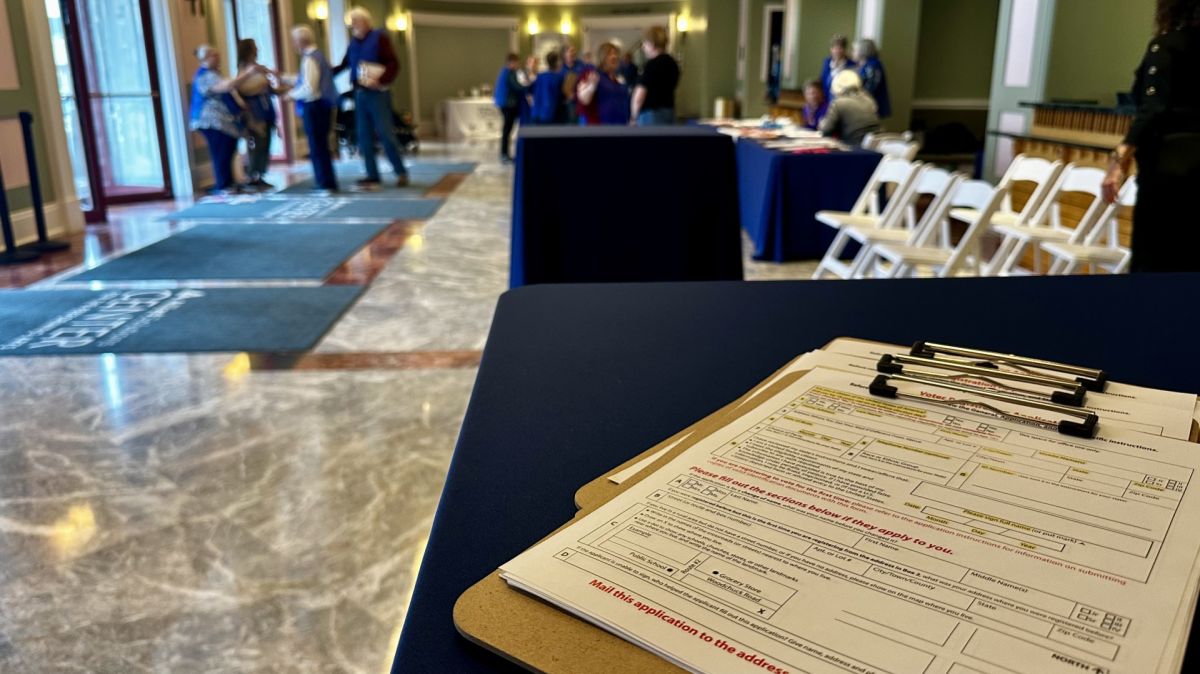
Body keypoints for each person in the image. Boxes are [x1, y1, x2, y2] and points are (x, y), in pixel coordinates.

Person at [1103, 0, 1200, 272]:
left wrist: (1119, 158)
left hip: (1168, 170)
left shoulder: (1166, 46)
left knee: (1155, 256)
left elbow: (1153, 109)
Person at [333, 8, 409, 190]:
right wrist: (325, 74)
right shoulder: (353, 43)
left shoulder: (379, 38)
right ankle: (372, 175)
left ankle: (400, 172)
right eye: (351, 24)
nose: (352, 26)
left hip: (377, 94)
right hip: (359, 94)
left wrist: (380, 80)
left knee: (385, 134)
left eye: (355, 22)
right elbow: (344, 65)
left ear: (365, 22)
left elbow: (393, 64)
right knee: (363, 136)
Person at [189, 45, 264, 195]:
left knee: (228, 150)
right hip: (211, 121)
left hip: (223, 122)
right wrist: (248, 74)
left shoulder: (214, 74)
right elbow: (226, 86)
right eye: (214, 55)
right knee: (221, 152)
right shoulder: (205, 76)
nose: (218, 58)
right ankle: (223, 185)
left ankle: (229, 183)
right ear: (205, 58)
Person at [285, 25, 339, 194]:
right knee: (321, 145)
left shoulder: (310, 59)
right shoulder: (319, 55)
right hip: (323, 106)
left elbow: (309, 88)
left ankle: (324, 183)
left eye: (294, 41)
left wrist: (291, 95)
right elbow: (304, 79)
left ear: (301, 41)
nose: (293, 45)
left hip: (315, 107)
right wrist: (283, 78)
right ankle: (326, 181)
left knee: (317, 146)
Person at [235, 39, 280, 191]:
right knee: (257, 144)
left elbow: (269, 88)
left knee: (266, 143)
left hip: (266, 108)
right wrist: (263, 83)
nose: (257, 50)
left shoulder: (259, 68)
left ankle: (261, 174)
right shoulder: (244, 69)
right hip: (254, 112)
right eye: (255, 47)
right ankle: (253, 175)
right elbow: (243, 88)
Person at [631, 26, 680, 126]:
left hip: (650, 116)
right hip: (669, 112)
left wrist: (634, 117)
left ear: (652, 44)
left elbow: (640, 94)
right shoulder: (673, 63)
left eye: (645, 43)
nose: (643, 47)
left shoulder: (652, 65)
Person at [819, 70, 880, 146]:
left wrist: (822, 124)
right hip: (875, 146)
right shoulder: (869, 99)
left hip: (853, 147)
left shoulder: (838, 103)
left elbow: (826, 131)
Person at [577, 43, 630, 126]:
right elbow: (583, 99)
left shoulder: (619, 79)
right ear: (602, 57)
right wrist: (591, 86)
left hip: (621, 127)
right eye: (610, 54)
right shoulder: (593, 74)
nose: (614, 56)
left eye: (616, 54)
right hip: (600, 128)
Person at [494, 53, 526, 163]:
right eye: (517, 62)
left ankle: (505, 154)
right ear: (511, 62)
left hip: (505, 104)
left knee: (507, 130)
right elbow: (516, 86)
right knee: (507, 130)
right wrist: (528, 86)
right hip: (508, 105)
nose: (518, 65)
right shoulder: (509, 73)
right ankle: (504, 155)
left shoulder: (504, 72)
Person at [854, 39, 892, 119]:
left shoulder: (873, 66)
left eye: (855, 50)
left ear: (862, 51)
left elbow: (869, 89)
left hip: (870, 107)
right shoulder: (865, 65)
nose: (852, 52)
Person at [531, 52, 566, 124]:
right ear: (556, 63)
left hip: (538, 113)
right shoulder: (559, 77)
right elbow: (561, 96)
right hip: (553, 114)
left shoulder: (540, 76)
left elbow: (535, 93)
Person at [560, 44, 585, 124]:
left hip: (581, 98)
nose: (573, 53)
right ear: (564, 54)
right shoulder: (560, 68)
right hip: (568, 101)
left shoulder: (581, 64)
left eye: (574, 51)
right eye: (570, 51)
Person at [517, 55, 538, 124]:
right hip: (524, 102)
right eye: (531, 62)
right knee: (525, 121)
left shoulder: (538, 75)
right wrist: (528, 96)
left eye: (535, 62)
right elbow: (523, 85)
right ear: (527, 63)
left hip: (534, 102)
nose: (533, 64)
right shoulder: (521, 73)